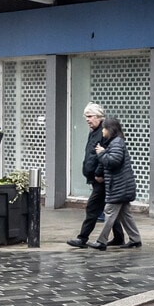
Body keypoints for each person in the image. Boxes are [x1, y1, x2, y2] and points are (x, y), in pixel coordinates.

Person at [90, 116, 142, 250]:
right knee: (125, 214)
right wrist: (99, 172)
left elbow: (114, 161)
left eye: (104, 129)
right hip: (121, 186)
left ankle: (101, 241)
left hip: (119, 186)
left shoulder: (117, 143)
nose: (102, 132)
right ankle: (135, 240)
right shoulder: (114, 142)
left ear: (110, 130)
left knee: (109, 212)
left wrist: (101, 153)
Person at [65, 104, 106, 248]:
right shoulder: (93, 132)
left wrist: (98, 173)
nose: (87, 120)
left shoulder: (103, 132)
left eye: (89, 116)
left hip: (100, 179)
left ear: (98, 117)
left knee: (92, 208)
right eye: (86, 117)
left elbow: (103, 155)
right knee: (112, 210)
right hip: (95, 177)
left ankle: (82, 238)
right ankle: (120, 237)